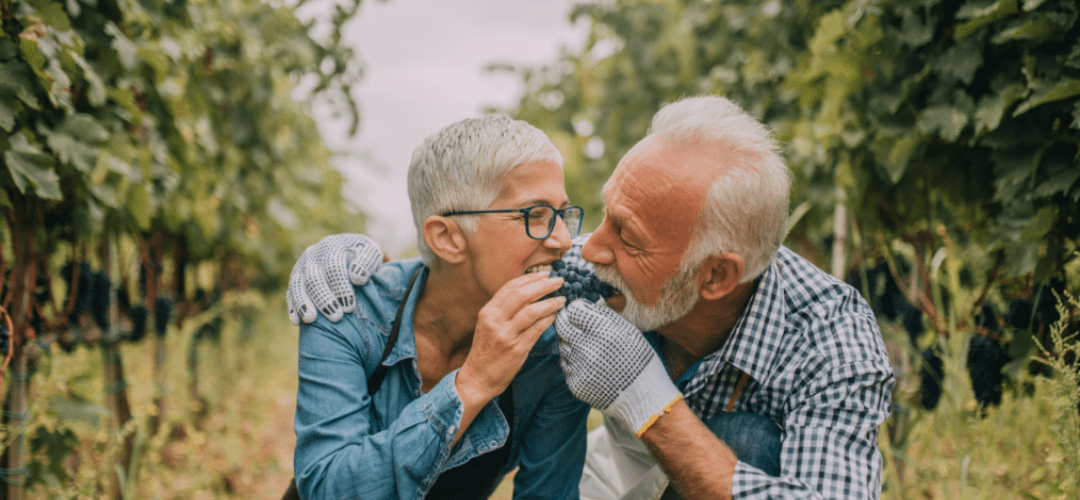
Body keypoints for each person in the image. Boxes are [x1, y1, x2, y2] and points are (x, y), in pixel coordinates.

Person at [287, 96, 895, 499]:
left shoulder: (832, 340)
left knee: (750, 437)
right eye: (599, 215)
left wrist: (648, 399)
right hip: (621, 480)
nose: (581, 246)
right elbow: (459, 256)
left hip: (722, 473)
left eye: (625, 236)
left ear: (713, 277)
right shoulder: (575, 277)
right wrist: (336, 258)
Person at [289, 115, 591, 500]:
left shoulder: (553, 353)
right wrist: (472, 384)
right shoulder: (347, 311)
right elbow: (327, 487)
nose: (563, 240)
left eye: (563, 214)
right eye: (534, 216)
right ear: (446, 238)